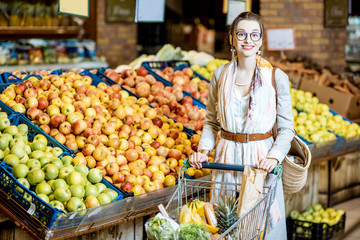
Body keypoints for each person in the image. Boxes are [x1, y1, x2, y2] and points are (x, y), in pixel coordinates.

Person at [189, 12, 294, 239]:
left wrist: (274, 157)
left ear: (261, 40)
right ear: (232, 39)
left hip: (261, 159)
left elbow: (287, 129)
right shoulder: (220, 75)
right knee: (224, 222)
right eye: (242, 34)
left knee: (261, 227)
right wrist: (204, 150)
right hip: (227, 156)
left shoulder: (276, 78)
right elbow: (211, 121)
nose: (248, 40)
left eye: (255, 35)